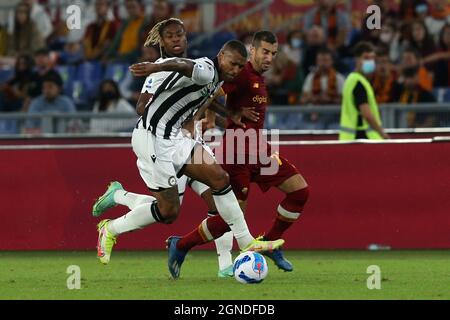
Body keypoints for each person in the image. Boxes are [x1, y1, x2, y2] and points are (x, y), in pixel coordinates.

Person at [94, 22, 284, 279]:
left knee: (220, 179)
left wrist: (221, 114)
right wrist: (155, 68)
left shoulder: (214, 76)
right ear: (221, 57)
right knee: (168, 212)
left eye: (240, 66)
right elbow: (182, 66)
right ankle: (112, 228)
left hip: (177, 137)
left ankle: (246, 242)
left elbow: (201, 92)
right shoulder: (205, 68)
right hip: (152, 138)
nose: (236, 70)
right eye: (233, 64)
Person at [166, 31, 310, 276]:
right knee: (229, 218)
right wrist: (202, 118)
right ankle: (180, 245)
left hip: (259, 150)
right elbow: (210, 94)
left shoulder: (256, 77)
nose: (269, 58)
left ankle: (271, 244)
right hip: (236, 153)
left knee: (299, 191)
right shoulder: (241, 73)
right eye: (265, 51)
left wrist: (220, 116)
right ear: (252, 50)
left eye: (273, 54)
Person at [339, 42, 390, 140]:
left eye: (372, 58)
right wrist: (383, 135)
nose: (370, 61)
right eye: (366, 58)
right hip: (361, 137)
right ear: (357, 60)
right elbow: (367, 115)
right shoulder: (358, 83)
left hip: (351, 138)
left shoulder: (352, 80)